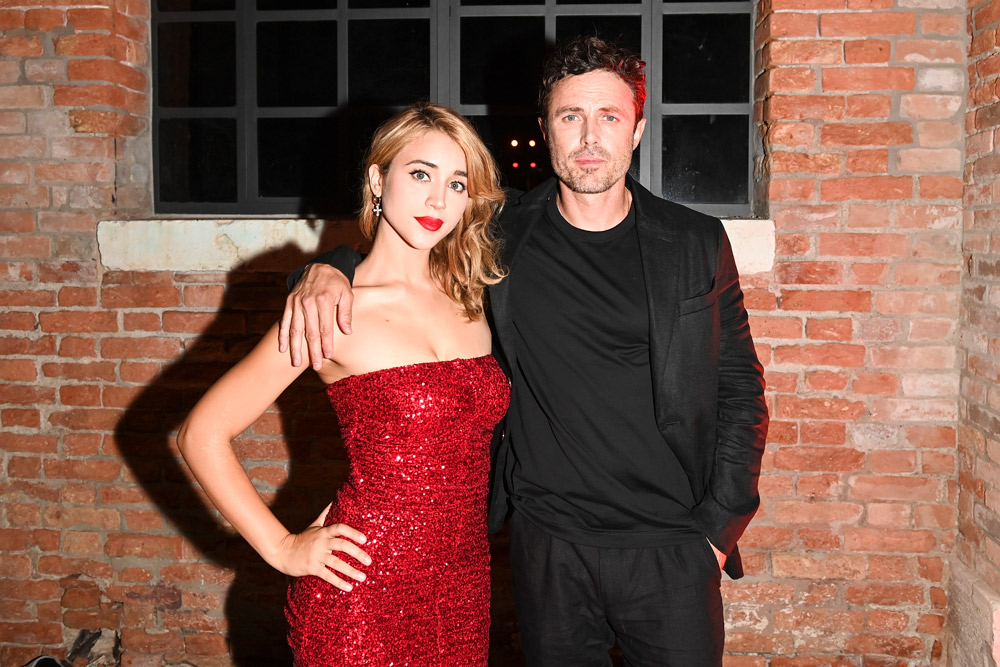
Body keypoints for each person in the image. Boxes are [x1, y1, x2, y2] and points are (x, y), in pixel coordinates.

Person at [283, 36, 768, 666]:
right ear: (544, 129)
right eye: (571, 117)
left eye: (609, 117)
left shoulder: (695, 241)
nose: (590, 137)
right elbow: (407, 258)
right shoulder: (501, 238)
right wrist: (326, 268)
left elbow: (740, 387)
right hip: (548, 546)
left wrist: (716, 529)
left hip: (673, 546)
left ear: (638, 129)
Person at [177, 102, 510, 665]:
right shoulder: (331, 308)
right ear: (378, 178)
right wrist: (283, 547)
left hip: (462, 586)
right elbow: (201, 434)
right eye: (420, 174)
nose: (438, 200)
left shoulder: (475, 298)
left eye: (457, 184)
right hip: (363, 592)